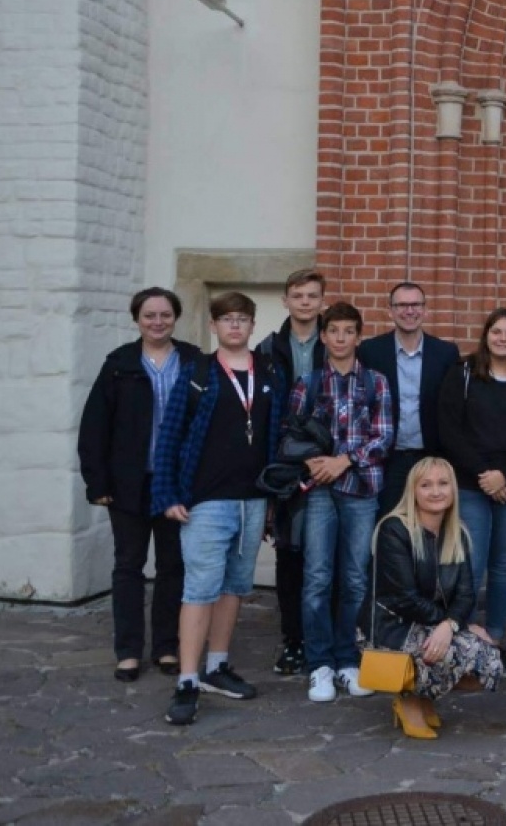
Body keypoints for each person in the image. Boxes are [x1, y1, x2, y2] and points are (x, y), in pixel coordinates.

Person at [152, 291, 285, 726]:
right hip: (206, 500)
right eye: (226, 319)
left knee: (235, 587)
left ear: (252, 326)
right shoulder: (198, 373)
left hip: (253, 499)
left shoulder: (269, 373)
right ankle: (187, 680)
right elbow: (169, 437)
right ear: (213, 325)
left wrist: (271, 502)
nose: (234, 326)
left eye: (242, 320)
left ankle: (217, 666)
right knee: (200, 588)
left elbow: (273, 437)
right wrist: (169, 494)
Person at [79, 287, 196, 682]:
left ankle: (166, 646)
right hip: (128, 483)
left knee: (172, 567)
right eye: (149, 315)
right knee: (128, 566)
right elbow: (95, 426)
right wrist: (98, 482)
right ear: (137, 320)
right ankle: (128, 651)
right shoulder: (119, 364)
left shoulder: (194, 361)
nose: (158, 322)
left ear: (175, 317)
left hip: (176, 485)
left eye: (165, 314)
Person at [291, 301, 394, 704]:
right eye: (333, 331)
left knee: (354, 579)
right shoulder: (309, 382)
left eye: (348, 331)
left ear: (358, 336)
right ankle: (319, 664)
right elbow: (292, 433)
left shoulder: (376, 383)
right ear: (323, 336)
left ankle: (348, 660)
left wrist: (344, 460)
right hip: (318, 491)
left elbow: (383, 436)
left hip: (362, 490)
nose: (340, 338)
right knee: (317, 578)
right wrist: (316, 463)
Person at [361, 456, 504, 739]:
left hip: (433, 622)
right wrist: (452, 626)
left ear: (453, 490)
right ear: (412, 491)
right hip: (390, 626)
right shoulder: (394, 529)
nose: (436, 491)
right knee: (448, 650)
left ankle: (424, 695)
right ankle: (408, 700)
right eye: (426, 485)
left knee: (489, 659)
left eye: (443, 483)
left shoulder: (457, 533)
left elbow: (465, 593)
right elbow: (404, 598)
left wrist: (450, 625)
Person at [437, 307, 506, 646]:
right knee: (471, 565)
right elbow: (449, 430)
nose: (503, 338)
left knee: (502, 567)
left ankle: (496, 638)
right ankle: (466, 636)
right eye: (497, 332)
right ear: (486, 336)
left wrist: (505, 476)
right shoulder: (463, 374)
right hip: (471, 486)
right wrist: (485, 475)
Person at [255, 267, 327, 676]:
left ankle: (327, 636)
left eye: (312, 295)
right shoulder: (267, 348)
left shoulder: (336, 343)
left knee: (325, 555)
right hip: (283, 465)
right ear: (285, 300)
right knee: (289, 556)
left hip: (326, 463)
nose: (304, 302)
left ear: (321, 301)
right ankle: (294, 640)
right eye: (297, 295)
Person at [358, 282, 461, 520]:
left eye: (415, 304)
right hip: (388, 459)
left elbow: (453, 409)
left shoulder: (446, 353)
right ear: (391, 311)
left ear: (425, 310)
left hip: (432, 457)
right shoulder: (371, 351)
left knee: (431, 528)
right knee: (388, 525)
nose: (409, 311)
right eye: (402, 305)